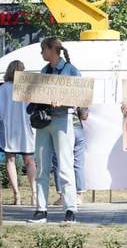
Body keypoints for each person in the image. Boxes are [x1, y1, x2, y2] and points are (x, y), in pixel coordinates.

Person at [27, 37, 81, 223]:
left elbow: (80, 97)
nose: (41, 53)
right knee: (41, 166)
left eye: (43, 49)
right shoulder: (43, 71)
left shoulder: (71, 71)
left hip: (61, 120)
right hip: (44, 122)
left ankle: (70, 209)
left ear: (52, 49)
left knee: (65, 166)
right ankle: (41, 209)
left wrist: (64, 101)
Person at [0, 60, 36, 206]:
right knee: (30, 161)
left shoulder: (3, 89)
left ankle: (17, 194)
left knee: (10, 160)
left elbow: (0, 112)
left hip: (9, 128)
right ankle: (34, 193)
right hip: (26, 128)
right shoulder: (28, 88)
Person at [52, 107, 89, 206]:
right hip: (76, 126)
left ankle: (63, 196)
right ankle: (78, 195)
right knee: (78, 162)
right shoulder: (79, 92)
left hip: (62, 126)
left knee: (58, 161)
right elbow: (84, 116)